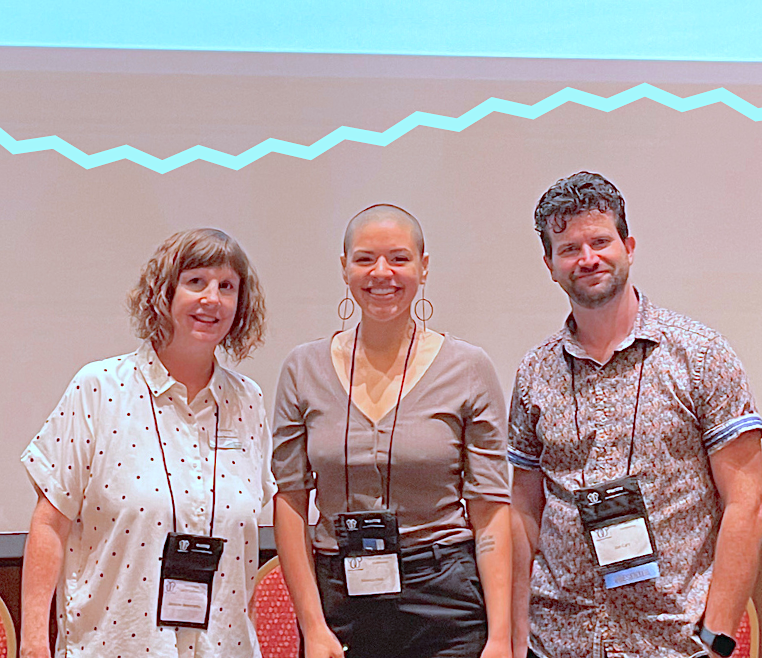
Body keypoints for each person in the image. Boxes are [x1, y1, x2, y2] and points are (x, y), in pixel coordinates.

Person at [509, 173, 762, 658]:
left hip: (674, 644)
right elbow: (524, 508)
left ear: (628, 245)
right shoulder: (534, 372)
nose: (587, 259)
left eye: (600, 241)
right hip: (559, 643)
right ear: (550, 265)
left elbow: (747, 505)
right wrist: (516, 632)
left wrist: (716, 637)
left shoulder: (700, 354)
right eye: (569, 249)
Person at [20, 228, 275, 658]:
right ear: (164, 292)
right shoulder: (98, 389)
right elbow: (49, 524)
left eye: (226, 286)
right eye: (196, 282)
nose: (212, 298)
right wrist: (32, 644)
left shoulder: (249, 401)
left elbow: (241, 549)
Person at [272, 204, 512, 658]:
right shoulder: (302, 368)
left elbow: (489, 506)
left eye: (399, 258)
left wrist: (500, 637)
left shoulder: (468, 367)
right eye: (365, 259)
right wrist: (313, 625)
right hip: (340, 597)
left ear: (424, 267)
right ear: (344, 269)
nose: (382, 272)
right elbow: (290, 501)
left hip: (445, 601)